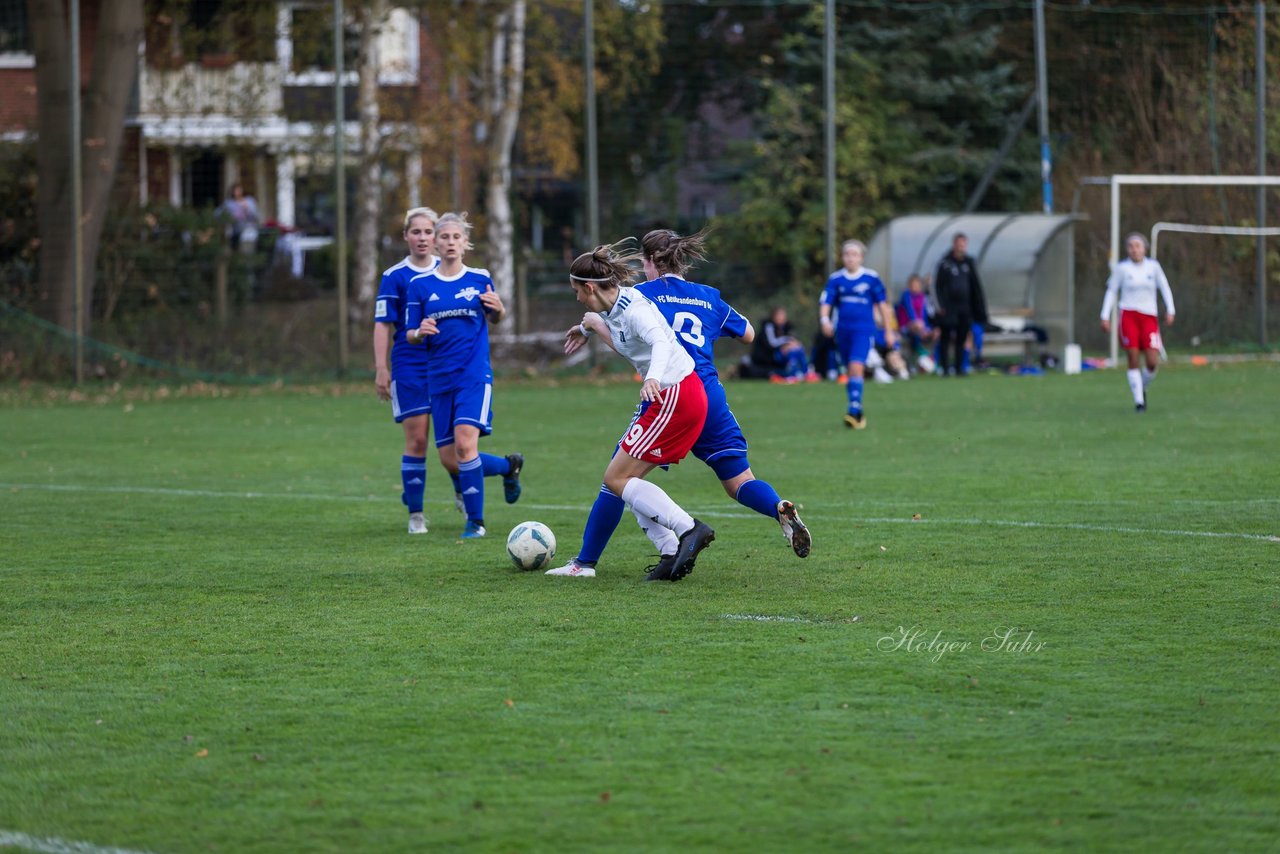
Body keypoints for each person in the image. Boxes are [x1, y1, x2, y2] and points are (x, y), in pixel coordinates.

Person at [623, 229, 811, 576]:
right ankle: (777, 506)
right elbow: (749, 333)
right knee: (738, 482)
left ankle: (601, 559)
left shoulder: (639, 296)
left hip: (673, 395)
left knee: (620, 479)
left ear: (647, 262)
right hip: (711, 395)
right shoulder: (707, 296)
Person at [551, 241, 716, 581]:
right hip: (672, 397)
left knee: (616, 478)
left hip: (673, 395)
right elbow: (616, 331)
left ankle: (689, 529)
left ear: (591, 287)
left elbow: (658, 340)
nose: (577, 298)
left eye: (577, 292)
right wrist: (587, 328)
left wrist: (652, 379)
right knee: (625, 479)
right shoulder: (614, 307)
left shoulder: (634, 308)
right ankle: (670, 552)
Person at [404, 212, 523, 539]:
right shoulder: (420, 285)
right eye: (445, 237)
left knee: (465, 445)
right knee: (450, 459)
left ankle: (476, 523)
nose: (451, 242)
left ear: (465, 242)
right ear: (436, 244)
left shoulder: (479, 278)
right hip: (438, 379)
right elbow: (410, 332)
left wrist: (499, 308)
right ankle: (508, 466)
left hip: (473, 376)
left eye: (457, 237)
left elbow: (497, 317)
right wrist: (420, 331)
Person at [819, 239, 896, 429]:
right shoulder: (836, 279)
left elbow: (883, 307)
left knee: (856, 366)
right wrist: (825, 320)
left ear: (861, 258)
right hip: (843, 331)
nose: (850, 258)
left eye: (854, 254)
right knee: (850, 370)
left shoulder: (871, 278)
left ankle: (854, 410)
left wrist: (888, 331)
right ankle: (856, 408)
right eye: (847, 254)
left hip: (863, 331)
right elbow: (826, 303)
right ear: (843, 257)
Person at [1100, 232, 1175, 412]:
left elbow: (1164, 286)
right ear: (1127, 250)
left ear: (1144, 248)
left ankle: (1142, 386)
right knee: (1133, 357)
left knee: (1151, 361)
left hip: (1149, 316)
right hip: (1129, 315)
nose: (1134, 250)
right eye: (1131, 246)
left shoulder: (1153, 267)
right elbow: (1111, 291)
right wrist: (1104, 315)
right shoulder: (1122, 268)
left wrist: (1171, 309)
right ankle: (1139, 402)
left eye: (1138, 246)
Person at [932, 232, 989, 376]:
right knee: (945, 338)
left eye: (963, 244)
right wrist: (940, 306)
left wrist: (979, 307)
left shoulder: (969, 263)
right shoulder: (944, 263)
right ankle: (944, 368)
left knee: (962, 338)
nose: (961, 246)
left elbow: (976, 286)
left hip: (965, 308)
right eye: (959, 243)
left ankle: (959, 368)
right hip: (948, 308)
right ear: (954, 244)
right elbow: (936, 286)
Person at [752, 306, 810, 382]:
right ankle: (792, 375)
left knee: (798, 349)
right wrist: (787, 341)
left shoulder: (788, 327)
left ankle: (806, 373)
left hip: (781, 354)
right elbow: (772, 343)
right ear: (773, 316)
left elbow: (792, 341)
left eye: (783, 315)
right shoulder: (769, 326)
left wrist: (793, 344)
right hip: (768, 357)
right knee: (791, 352)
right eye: (779, 315)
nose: (781, 318)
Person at [896, 273, 939, 371]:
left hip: (920, 327)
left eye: (917, 284)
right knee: (917, 327)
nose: (915, 287)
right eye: (913, 285)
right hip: (905, 326)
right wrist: (920, 326)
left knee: (937, 332)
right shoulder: (906, 295)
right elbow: (910, 312)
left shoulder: (922, 296)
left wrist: (926, 328)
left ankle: (935, 360)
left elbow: (924, 314)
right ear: (909, 285)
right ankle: (920, 358)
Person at [219, 183, 260, 253]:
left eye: (239, 190)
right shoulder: (229, 204)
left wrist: (247, 209)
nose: (237, 192)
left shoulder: (249, 201)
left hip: (249, 230)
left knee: (248, 249)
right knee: (235, 251)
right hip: (235, 231)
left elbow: (256, 216)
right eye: (235, 190)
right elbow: (218, 214)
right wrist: (229, 217)